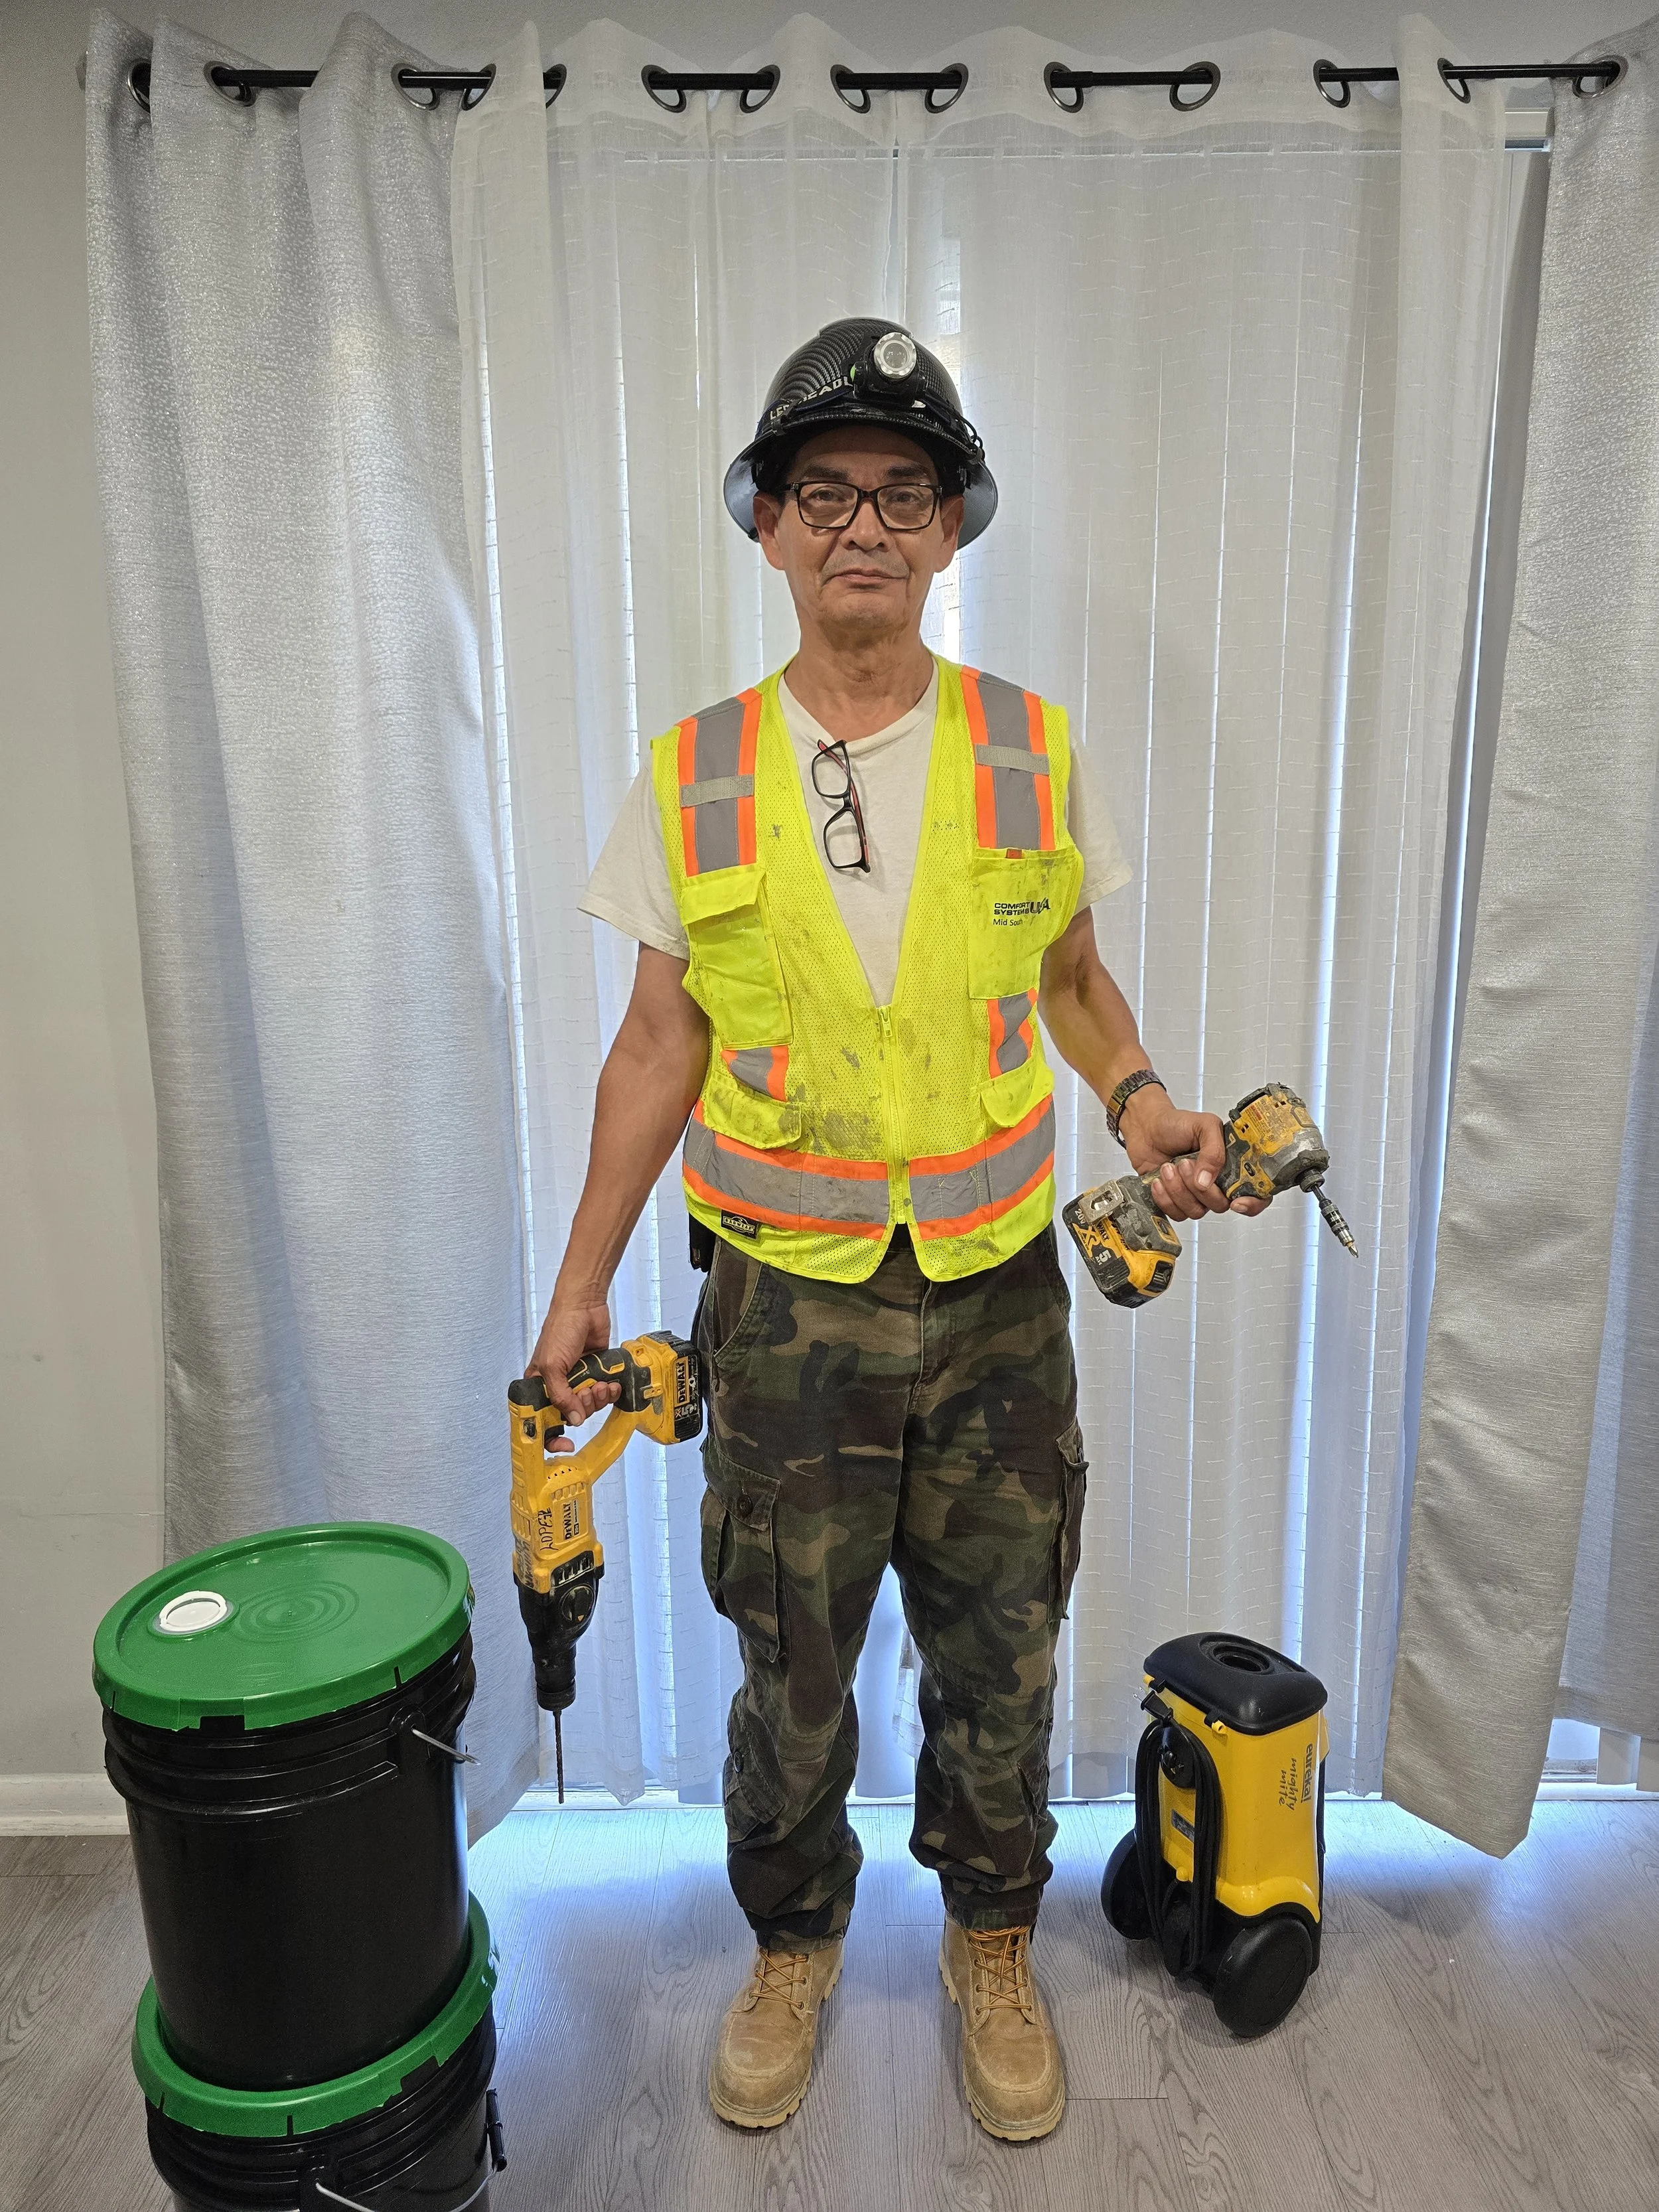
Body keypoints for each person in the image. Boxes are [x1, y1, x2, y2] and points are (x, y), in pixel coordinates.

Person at [528, 319, 1265, 2142]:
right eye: (827, 490)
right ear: (770, 528)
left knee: (999, 1636)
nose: (865, 523)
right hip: (782, 1308)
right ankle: (790, 1947)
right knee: (788, 1649)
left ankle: (990, 1939)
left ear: (948, 530)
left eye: (904, 491)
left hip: (1001, 1286)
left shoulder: (1028, 746)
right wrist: (576, 1287)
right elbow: (654, 1041)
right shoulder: (693, 773)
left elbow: (1073, 976)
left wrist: (1145, 1101)